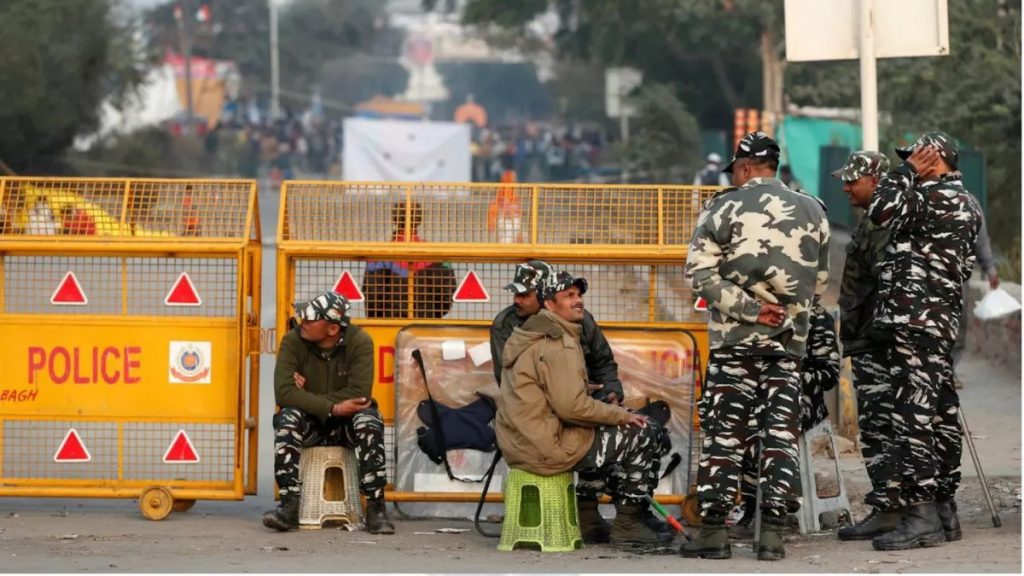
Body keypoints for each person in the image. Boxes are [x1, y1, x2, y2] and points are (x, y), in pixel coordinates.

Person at [680, 131, 830, 561]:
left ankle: (713, 534)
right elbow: (818, 282)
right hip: (787, 346)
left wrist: (750, 310)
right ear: (775, 166)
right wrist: (782, 314)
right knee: (779, 435)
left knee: (726, 435)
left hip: (734, 346)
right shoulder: (814, 210)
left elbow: (699, 275)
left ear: (744, 168)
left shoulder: (721, 207)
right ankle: (773, 536)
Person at [489, 261, 673, 542]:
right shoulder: (554, 339)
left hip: (533, 434)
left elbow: (598, 365)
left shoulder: (545, 330)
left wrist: (605, 395)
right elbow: (568, 406)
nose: (578, 301)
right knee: (643, 432)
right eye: (569, 296)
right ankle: (628, 523)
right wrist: (617, 415)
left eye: (578, 295)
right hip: (547, 439)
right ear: (549, 304)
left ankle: (588, 518)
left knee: (603, 427)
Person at [866, 132, 981, 551]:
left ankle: (921, 515)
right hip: (940, 321)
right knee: (941, 413)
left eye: (915, 156)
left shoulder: (927, 197)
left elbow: (878, 210)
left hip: (914, 321)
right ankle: (945, 509)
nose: (909, 161)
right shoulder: (968, 202)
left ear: (933, 160)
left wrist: (905, 173)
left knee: (912, 417)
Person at [262, 291, 394, 535]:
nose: (303, 322)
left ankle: (376, 508)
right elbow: (283, 394)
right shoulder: (292, 340)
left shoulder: (360, 342)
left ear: (333, 329)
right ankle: (289, 506)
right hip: (310, 424)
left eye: (311, 319)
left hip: (346, 426)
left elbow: (358, 394)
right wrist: (332, 407)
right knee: (288, 417)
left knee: (369, 419)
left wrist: (306, 395)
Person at [829, 150, 906, 540]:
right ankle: (891, 505)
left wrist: (878, 335)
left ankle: (891, 509)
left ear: (875, 180)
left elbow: (887, 283)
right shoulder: (874, 219)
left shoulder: (885, 221)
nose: (845, 186)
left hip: (880, 344)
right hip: (868, 339)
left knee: (881, 426)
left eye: (852, 179)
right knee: (880, 426)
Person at [733, 299, 840, 535]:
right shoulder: (760, 312)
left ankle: (767, 509)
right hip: (758, 397)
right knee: (733, 422)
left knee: (760, 427)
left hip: (802, 399)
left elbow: (829, 373)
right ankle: (751, 506)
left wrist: (785, 380)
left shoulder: (816, 315)